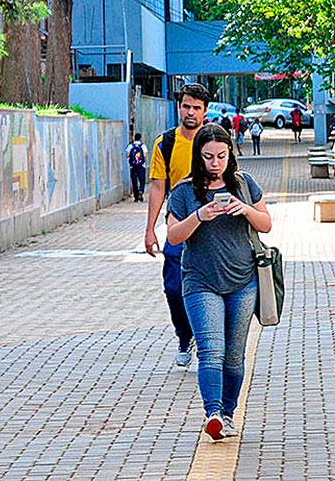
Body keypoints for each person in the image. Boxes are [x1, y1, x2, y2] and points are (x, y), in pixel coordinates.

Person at [166, 123, 272, 441]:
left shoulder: (244, 184)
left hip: (243, 282)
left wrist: (246, 209)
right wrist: (200, 215)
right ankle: (212, 413)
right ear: (199, 157)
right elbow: (172, 235)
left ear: (230, 155)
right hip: (200, 282)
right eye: (209, 157)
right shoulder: (184, 191)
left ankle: (228, 413)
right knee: (211, 351)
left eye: (221, 156)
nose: (215, 163)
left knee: (234, 356)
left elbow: (266, 224)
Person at [146, 83, 212, 367]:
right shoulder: (165, 144)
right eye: (186, 106)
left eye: (197, 108)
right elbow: (158, 188)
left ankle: (208, 341)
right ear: (179, 107)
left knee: (209, 286)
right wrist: (150, 230)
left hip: (211, 226)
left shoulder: (214, 141)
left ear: (205, 111)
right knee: (174, 287)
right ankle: (184, 336)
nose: (191, 112)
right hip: (177, 225)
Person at [125, 133, 149, 202]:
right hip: (141, 166)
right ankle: (141, 191)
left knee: (134, 181)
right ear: (140, 138)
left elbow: (128, 155)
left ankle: (136, 196)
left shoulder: (130, 146)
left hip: (133, 166)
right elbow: (144, 155)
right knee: (142, 180)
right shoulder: (143, 146)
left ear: (134, 138)